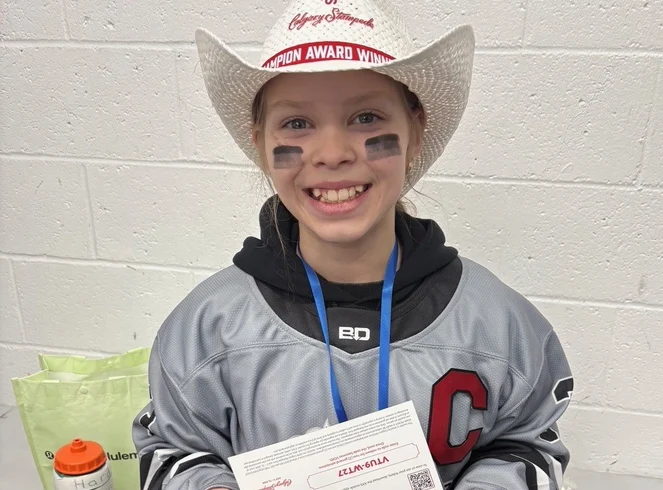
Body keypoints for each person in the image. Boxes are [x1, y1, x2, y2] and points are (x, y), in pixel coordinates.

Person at [132, 0, 574, 488]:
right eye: (296, 123)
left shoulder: (496, 325)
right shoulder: (206, 330)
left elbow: (528, 442)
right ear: (260, 143)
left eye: (366, 117)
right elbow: (174, 451)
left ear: (415, 131)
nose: (333, 154)